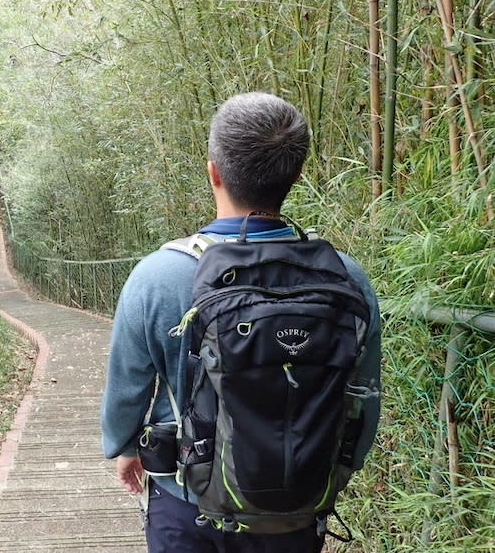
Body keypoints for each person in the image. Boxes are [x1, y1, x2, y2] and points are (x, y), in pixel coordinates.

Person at [100, 92, 381, 553]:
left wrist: (125, 446)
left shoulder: (159, 275)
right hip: (297, 503)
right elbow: (363, 395)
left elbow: (128, 384)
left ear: (214, 171)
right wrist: (332, 473)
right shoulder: (344, 276)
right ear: (297, 174)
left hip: (186, 495)